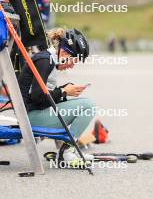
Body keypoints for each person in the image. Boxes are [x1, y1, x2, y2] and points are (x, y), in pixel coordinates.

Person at [18, 28, 96, 167]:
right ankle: (68, 152)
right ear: (65, 52)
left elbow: (44, 97)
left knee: (86, 105)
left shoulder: (49, 60)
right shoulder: (44, 61)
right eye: (74, 61)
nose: (72, 66)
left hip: (33, 113)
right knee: (88, 106)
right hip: (30, 116)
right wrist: (63, 91)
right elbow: (37, 98)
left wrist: (65, 91)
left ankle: (69, 149)